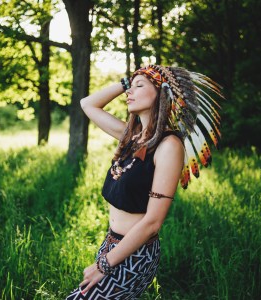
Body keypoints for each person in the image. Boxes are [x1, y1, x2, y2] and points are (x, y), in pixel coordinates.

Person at [65, 64, 223, 299]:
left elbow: (152, 222)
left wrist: (104, 265)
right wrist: (128, 82)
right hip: (112, 245)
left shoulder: (169, 146)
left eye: (139, 86)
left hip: (136, 254)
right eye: (130, 87)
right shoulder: (131, 138)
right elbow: (87, 104)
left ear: (162, 93)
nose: (129, 92)